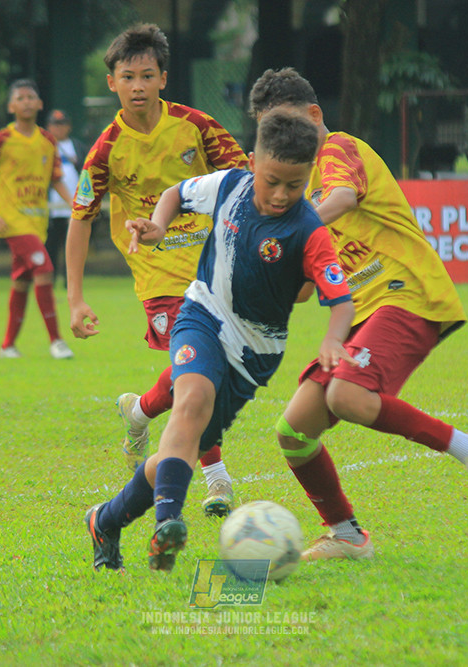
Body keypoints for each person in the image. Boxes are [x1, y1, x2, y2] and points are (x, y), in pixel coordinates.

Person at [247, 67, 468, 561]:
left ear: (314, 117)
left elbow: (343, 197)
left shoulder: (336, 150)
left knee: (348, 394)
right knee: (294, 429)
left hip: (404, 292)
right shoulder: (294, 187)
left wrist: (282, 224)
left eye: (287, 126)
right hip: (361, 313)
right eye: (271, 133)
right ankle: (347, 534)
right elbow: (304, 290)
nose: (282, 140)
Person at [84, 109, 355, 572]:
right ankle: (167, 526)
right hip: (203, 314)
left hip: (253, 356)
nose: (282, 195)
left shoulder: (309, 230)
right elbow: (175, 193)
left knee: (181, 448)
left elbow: (340, 300)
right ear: (252, 163)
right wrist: (159, 225)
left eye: (295, 185)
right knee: (190, 402)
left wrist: (333, 339)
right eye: (273, 181)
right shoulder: (230, 186)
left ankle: (105, 520)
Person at [67, 23, 249, 515]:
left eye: (147, 75)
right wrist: (76, 298)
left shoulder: (197, 126)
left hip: (212, 264)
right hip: (157, 274)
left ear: (163, 78)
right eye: (127, 77)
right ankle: (217, 480)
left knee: (203, 370)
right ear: (112, 83)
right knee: (197, 373)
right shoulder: (105, 149)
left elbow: (244, 179)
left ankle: (139, 410)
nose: (138, 86)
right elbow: (80, 220)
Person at [0, 78, 76, 359]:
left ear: (40, 103)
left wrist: (75, 205)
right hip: (12, 221)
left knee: (22, 282)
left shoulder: (47, 141)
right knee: (44, 269)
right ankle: (57, 341)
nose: (27, 102)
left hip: (37, 221)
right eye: (20, 98)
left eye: (31, 97)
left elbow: (56, 179)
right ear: (10, 106)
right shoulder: (2, 140)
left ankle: (7, 346)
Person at [45, 109, 86, 286]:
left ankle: (70, 282)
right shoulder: (44, 147)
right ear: (48, 127)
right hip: (52, 206)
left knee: (72, 247)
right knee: (51, 246)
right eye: (55, 125)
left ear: (68, 127)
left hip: (74, 206)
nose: (59, 129)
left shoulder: (77, 147)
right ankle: (50, 280)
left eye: (62, 125)